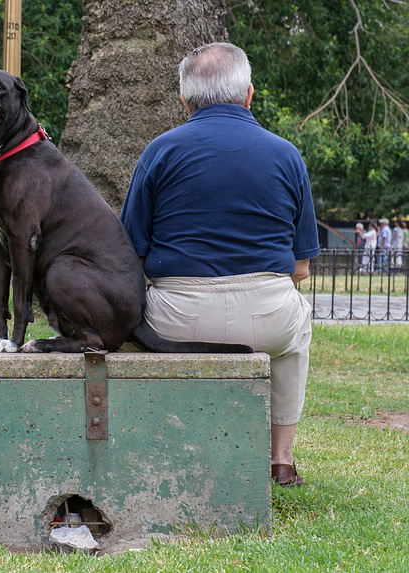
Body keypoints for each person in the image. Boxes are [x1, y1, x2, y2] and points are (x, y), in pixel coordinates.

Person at [120, 42, 320, 487]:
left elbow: (130, 254)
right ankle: (280, 460)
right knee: (298, 330)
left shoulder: (159, 151)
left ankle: (169, 445)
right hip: (267, 314)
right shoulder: (287, 154)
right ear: (249, 94)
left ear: (185, 100)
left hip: (178, 318)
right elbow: (301, 269)